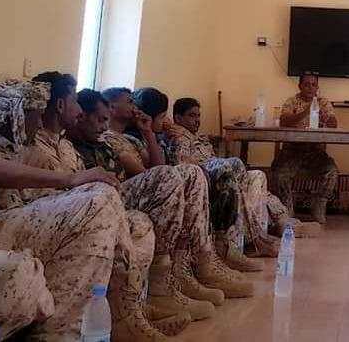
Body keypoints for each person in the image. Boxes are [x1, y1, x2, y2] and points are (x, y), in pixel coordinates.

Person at [0, 79, 165, 341]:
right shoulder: (10, 141)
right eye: (35, 111)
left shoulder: (48, 144)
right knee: (99, 200)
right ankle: (63, 333)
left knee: (117, 208)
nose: (41, 117)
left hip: (25, 214)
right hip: (3, 219)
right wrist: (72, 180)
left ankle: (125, 309)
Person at [99, 87, 254, 300]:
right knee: (189, 172)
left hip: (145, 186)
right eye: (129, 102)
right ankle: (177, 272)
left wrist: (149, 134)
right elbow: (150, 174)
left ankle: (199, 261)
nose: (135, 107)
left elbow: (158, 168)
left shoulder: (133, 139)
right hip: (123, 193)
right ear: (111, 106)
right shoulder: (109, 137)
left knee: (194, 172)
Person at [169, 97, 310, 256]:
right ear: (178, 118)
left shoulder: (198, 137)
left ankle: (260, 234)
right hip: (210, 177)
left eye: (198, 116)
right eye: (191, 115)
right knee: (234, 165)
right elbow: (181, 162)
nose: (197, 120)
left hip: (225, 174)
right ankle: (272, 229)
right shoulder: (178, 136)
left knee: (257, 175)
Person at [271, 74, 339, 222]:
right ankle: (287, 206)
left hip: (315, 152)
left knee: (332, 172)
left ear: (317, 87)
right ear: (300, 86)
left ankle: (318, 204)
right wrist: (306, 111)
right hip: (292, 150)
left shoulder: (323, 102)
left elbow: (334, 125)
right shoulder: (291, 101)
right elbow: (284, 121)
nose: (310, 88)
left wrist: (327, 118)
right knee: (279, 173)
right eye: (306, 84)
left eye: (314, 85)